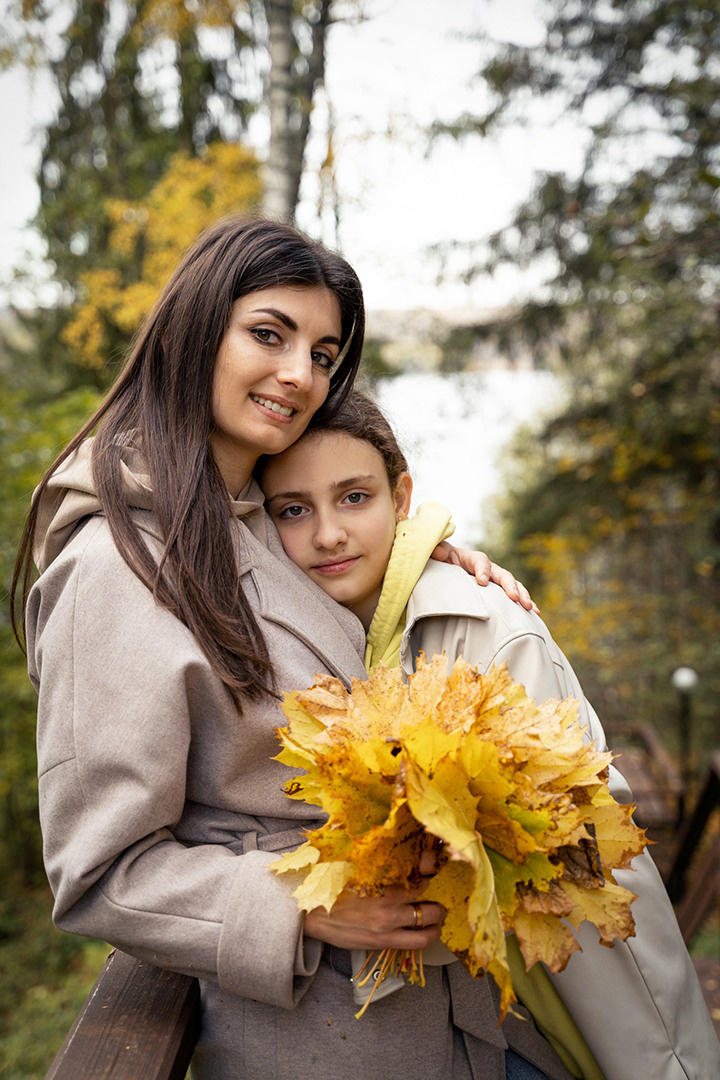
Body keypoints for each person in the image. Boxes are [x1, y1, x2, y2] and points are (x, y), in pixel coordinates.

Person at [13, 215, 546, 1080]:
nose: (301, 375)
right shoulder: (117, 567)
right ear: (195, 332)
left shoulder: (256, 514)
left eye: (326, 354)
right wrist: (308, 904)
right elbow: (98, 871)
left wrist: (421, 565)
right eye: (269, 334)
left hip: (466, 1022)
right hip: (329, 1040)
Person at [259, 387, 720, 1080]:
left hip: (560, 998)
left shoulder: (486, 626)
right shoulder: (319, 630)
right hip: (458, 1009)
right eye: (294, 510)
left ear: (400, 496)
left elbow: (582, 824)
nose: (328, 533)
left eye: (354, 497)